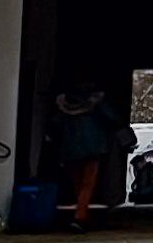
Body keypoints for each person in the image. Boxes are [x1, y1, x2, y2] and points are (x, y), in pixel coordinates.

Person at [47, 83, 133, 232]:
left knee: (77, 183)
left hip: (70, 148)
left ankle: (81, 213)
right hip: (93, 147)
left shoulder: (63, 105)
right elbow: (113, 118)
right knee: (88, 184)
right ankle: (80, 217)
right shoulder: (97, 103)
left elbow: (55, 125)